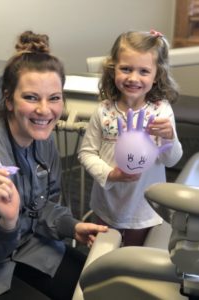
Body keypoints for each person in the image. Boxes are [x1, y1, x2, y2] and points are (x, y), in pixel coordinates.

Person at [0, 30, 108, 300]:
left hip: (32, 245)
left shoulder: (42, 138)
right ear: (9, 99)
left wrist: (72, 226)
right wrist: (9, 221)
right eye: (31, 97)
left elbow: (44, 205)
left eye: (54, 98)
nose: (45, 110)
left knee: (98, 287)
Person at [78, 30, 183, 246]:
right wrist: (110, 174)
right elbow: (86, 152)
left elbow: (171, 160)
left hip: (143, 208)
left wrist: (169, 139)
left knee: (134, 259)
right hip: (107, 205)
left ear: (156, 76)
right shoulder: (104, 111)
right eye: (126, 69)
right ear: (113, 68)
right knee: (103, 256)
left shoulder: (161, 111)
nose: (133, 78)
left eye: (144, 71)